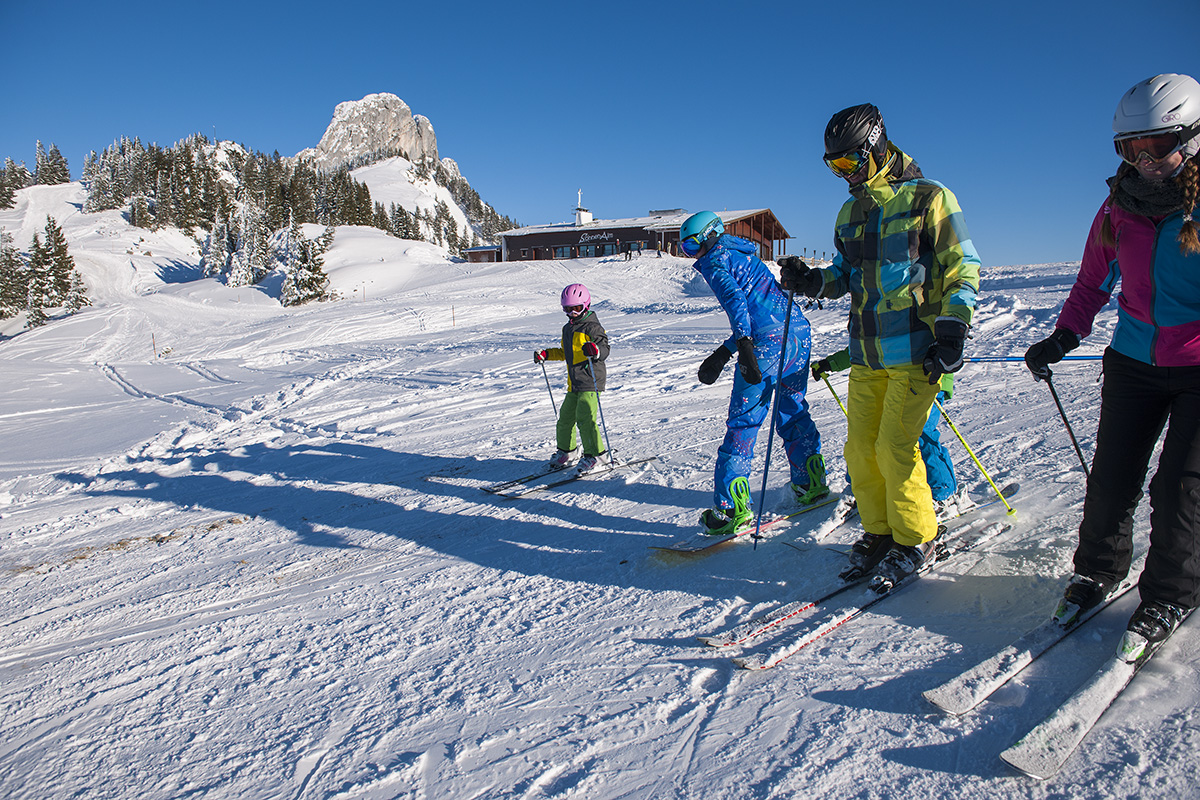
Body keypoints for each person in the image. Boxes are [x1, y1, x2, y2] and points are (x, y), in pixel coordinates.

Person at [1024, 73, 1200, 644]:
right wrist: (1063, 336)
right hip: (1132, 361)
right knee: (1112, 478)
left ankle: (1170, 594)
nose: (1145, 161)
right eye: (1131, 148)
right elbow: (1091, 283)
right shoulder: (1116, 207)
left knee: (1180, 485)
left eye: (1158, 146)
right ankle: (1096, 571)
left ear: (1192, 138)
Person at [780, 103, 981, 589]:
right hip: (867, 354)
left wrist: (953, 327)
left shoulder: (929, 198)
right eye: (834, 166)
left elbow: (962, 267)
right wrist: (813, 281)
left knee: (895, 449)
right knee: (860, 451)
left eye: (850, 162)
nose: (843, 174)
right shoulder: (851, 212)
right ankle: (880, 532)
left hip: (917, 353)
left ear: (876, 147)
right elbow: (847, 276)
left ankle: (917, 538)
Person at [680, 211, 827, 535]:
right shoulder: (744, 253)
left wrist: (744, 346)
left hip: (767, 345)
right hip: (797, 332)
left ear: (709, 235)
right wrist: (726, 350)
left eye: (692, 245)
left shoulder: (715, 261)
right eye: (686, 248)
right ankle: (810, 480)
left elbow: (737, 304)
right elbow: (761, 305)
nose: (693, 254)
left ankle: (731, 507)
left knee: (743, 423)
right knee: (792, 409)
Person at [811, 349, 969, 519]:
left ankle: (944, 493)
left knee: (921, 433)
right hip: (891, 380)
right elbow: (866, 342)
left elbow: (946, 338)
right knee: (868, 431)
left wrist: (942, 359)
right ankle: (863, 488)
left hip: (929, 378)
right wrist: (833, 362)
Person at [534, 283, 611, 475]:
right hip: (574, 383)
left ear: (586, 305)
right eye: (568, 309)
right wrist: (547, 354)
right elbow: (565, 353)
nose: (572, 313)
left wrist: (595, 350)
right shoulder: (567, 329)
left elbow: (605, 349)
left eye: (576, 308)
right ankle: (567, 452)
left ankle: (596, 455)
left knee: (585, 418)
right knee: (565, 418)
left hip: (591, 380)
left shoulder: (592, 327)